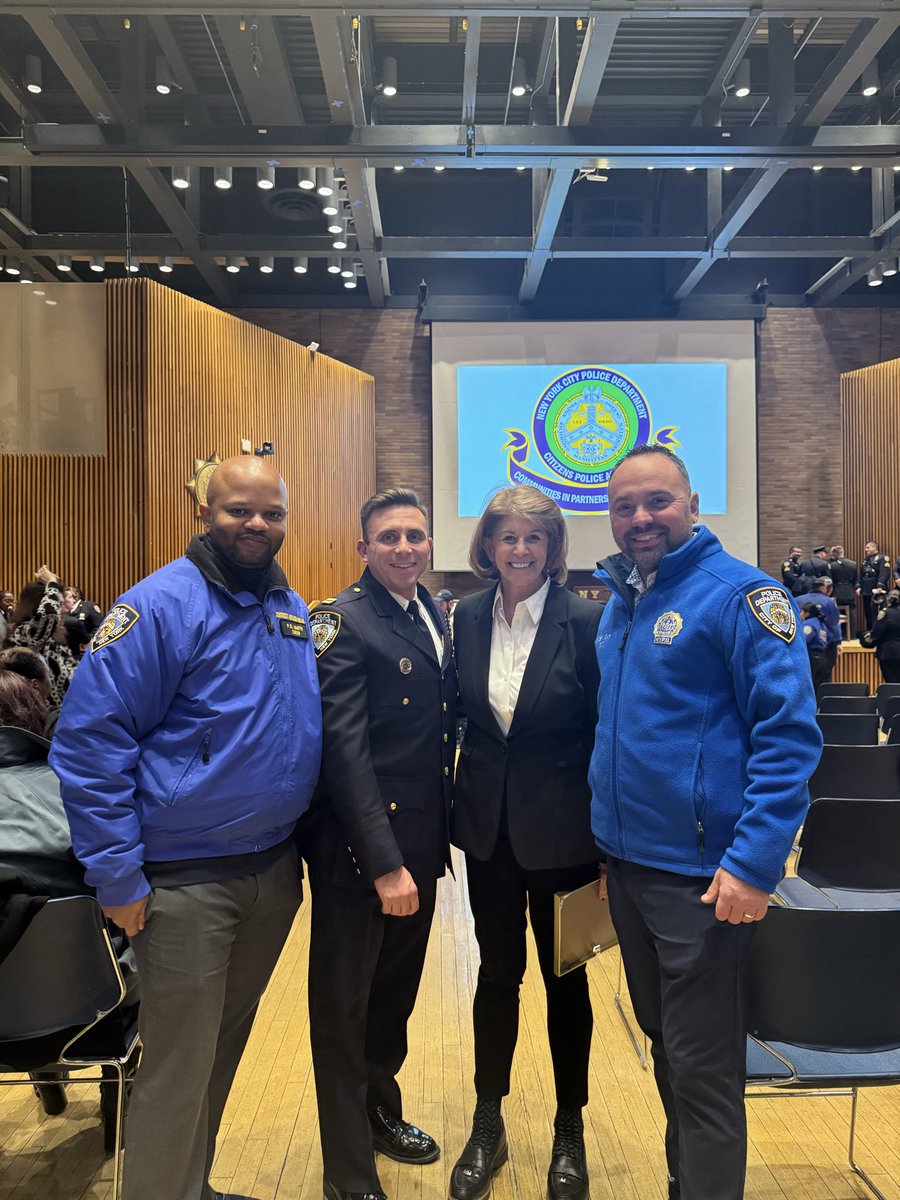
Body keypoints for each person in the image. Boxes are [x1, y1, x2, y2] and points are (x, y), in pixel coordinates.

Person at [50, 455, 322, 1200]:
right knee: (176, 1065)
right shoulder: (160, 606)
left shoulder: (288, 607)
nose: (256, 524)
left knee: (221, 1050)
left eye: (270, 512)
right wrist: (118, 876)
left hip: (268, 873)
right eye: (239, 510)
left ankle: (189, 1188)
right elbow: (89, 744)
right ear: (204, 511)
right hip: (181, 884)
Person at [588, 445, 821, 1200]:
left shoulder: (743, 597)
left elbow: (788, 739)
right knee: (668, 1052)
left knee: (705, 1071)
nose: (640, 519)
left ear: (692, 503)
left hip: (704, 880)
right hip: (629, 871)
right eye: (624, 506)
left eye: (657, 501)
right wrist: (605, 846)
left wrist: (755, 864)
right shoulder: (621, 601)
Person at [448, 486, 601, 1200]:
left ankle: (569, 1128)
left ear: (553, 548)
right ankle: (489, 1120)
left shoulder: (587, 622)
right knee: (497, 976)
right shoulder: (467, 617)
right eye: (506, 537)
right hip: (490, 836)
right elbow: (464, 722)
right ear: (487, 546)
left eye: (532, 539)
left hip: (569, 838)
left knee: (567, 981)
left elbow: (606, 735)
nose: (518, 550)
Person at [306, 487, 456, 1200]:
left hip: (421, 849)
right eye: (389, 538)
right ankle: (348, 1173)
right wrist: (384, 863)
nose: (405, 548)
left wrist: (421, 858)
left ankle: (380, 1113)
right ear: (364, 548)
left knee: (390, 1002)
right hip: (362, 858)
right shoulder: (340, 620)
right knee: (342, 1011)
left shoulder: (430, 613)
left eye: (416, 537)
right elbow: (344, 751)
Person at [4, 568, 80, 708]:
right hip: (38, 720)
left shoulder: (53, 640)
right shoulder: (24, 634)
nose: (63, 610)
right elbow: (47, 616)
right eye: (59, 604)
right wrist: (52, 584)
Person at [794, 576, 841, 681]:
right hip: (825, 644)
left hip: (802, 644)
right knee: (824, 676)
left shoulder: (797, 600)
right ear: (824, 588)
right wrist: (838, 641)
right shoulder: (828, 601)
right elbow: (834, 623)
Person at [861, 590, 900, 683]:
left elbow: (875, 633)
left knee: (892, 683)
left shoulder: (885, 613)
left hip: (888, 653)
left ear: (888, 600)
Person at [857, 541, 891, 632]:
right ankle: (869, 630)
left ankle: (876, 631)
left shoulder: (882, 558)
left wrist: (880, 585)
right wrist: (859, 585)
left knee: (874, 610)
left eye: (868, 547)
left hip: (876, 588)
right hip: (866, 588)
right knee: (867, 610)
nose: (866, 550)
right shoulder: (866, 559)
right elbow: (861, 573)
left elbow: (884, 573)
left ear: (874, 548)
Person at [828, 545, 858, 637]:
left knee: (836, 614)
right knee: (851, 613)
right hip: (849, 591)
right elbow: (855, 580)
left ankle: (840, 635)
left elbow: (830, 580)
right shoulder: (853, 564)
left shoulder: (831, 566)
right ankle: (852, 635)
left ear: (836, 554)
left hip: (836, 591)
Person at [800, 602, 829, 689]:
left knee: (810, 688)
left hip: (812, 658)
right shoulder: (821, 623)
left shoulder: (809, 624)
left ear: (807, 613)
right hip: (823, 657)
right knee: (820, 689)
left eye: (801, 611)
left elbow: (804, 639)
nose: (800, 614)